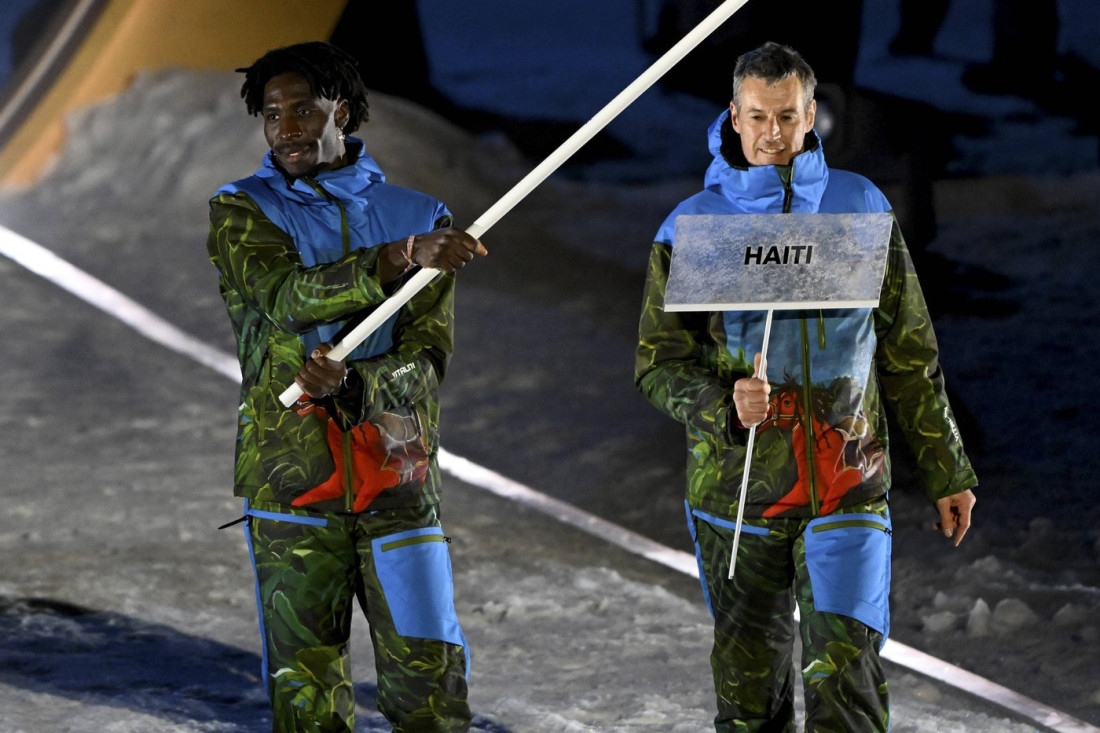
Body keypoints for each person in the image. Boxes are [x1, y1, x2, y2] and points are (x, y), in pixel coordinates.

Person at [635, 42, 977, 732]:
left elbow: (909, 351)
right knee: (748, 703)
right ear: (733, 116)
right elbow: (657, 361)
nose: (773, 134)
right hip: (739, 500)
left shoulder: (860, 207)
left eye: (788, 116)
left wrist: (946, 468)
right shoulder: (695, 226)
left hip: (849, 485)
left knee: (846, 682)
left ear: (812, 113)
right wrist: (719, 401)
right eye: (758, 116)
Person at [206, 41, 485, 732]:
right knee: (307, 691)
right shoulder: (242, 209)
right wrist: (397, 258)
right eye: (273, 114)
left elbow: (427, 356)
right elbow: (283, 297)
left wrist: (357, 383)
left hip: (398, 478)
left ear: (347, 110)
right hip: (294, 483)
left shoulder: (421, 212)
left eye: (305, 108)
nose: (289, 126)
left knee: (431, 682)